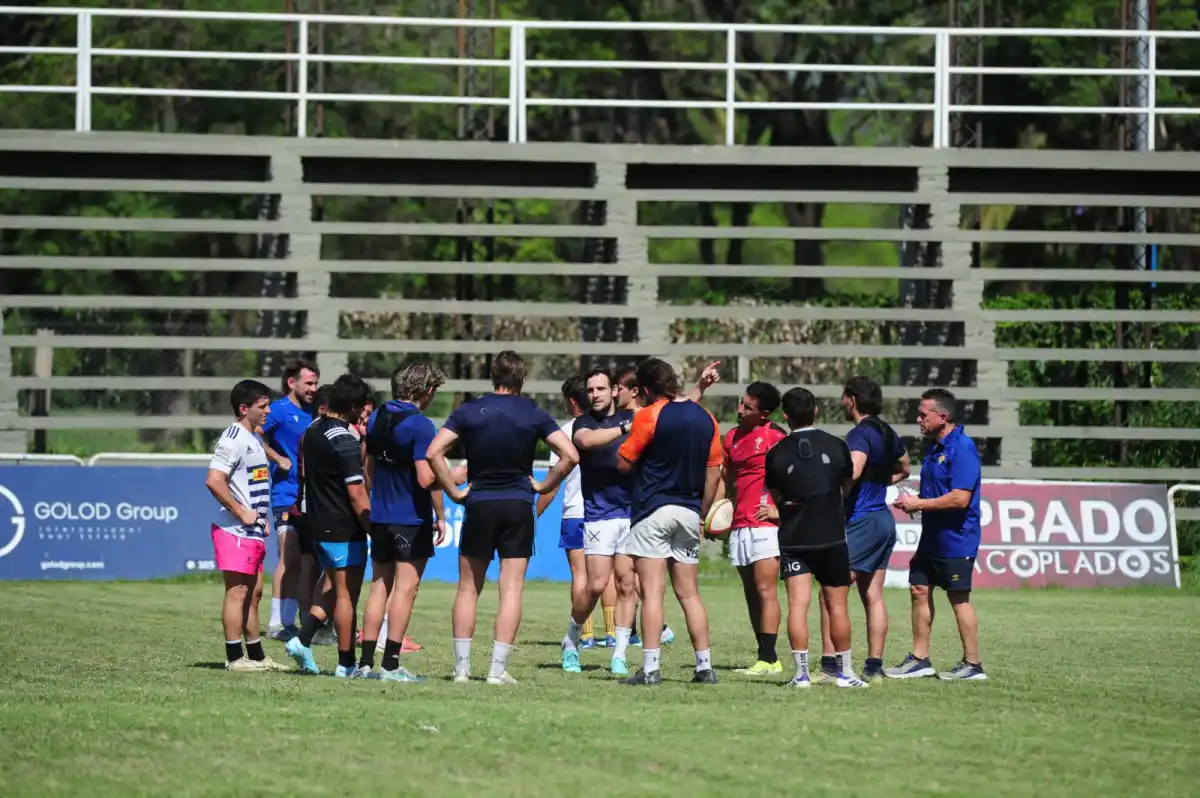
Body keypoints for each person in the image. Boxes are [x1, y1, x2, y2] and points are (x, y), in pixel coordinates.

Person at [426, 350, 579, 685]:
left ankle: (462, 669)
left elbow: (433, 451)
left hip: (479, 502)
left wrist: (454, 491)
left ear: (493, 376)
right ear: (521, 378)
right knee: (511, 589)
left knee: (468, 588)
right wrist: (544, 484)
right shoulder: (533, 413)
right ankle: (496, 670)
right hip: (518, 505)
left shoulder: (468, 411)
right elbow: (570, 454)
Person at [616, 358, 722, 686]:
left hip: (653, 510)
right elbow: (714, 471)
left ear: (645, 389)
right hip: (690, 512)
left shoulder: (649, 415)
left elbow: (624, 461)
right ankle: (704, 667)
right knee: (689, 594)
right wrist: (702, 513)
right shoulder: (706, 418)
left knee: (652, 594)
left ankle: (650, 670)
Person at [356, 363, 459, 682]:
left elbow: (367, 465)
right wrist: (454, 478)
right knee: (406, 589)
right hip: (409, 519)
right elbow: (426, 478)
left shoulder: (378, 416)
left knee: (379, 587)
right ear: (426, 391)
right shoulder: (421, 426)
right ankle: (391, 664)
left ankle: (365, 664)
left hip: (382, 515)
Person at [764, 387, 867, 689]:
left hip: (795, 539)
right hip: (832, 536)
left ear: (785, 416)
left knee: (798, 605)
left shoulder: (776, 453)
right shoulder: (837, 446)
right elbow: (846, 486)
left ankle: (801, 675)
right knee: (838, 606)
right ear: (817, 411)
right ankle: (846, 674)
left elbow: (775, 497)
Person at [887, 388, 987, 681]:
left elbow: (960, 499)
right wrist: (915, 501)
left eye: (923, 414)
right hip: (931, 535)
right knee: (918, 589)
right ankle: (920, 659)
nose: (918, 419)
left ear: (942, 416)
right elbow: (940, 494)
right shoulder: (934, 448)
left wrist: (919, 503)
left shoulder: (963, 448)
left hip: (956, 537)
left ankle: (973, 665)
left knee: (958, 597)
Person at [814, 376, 909, 682]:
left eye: (844, 397)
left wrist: (829, 494)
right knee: (873, 595)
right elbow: (904, 468)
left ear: (852, 400)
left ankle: (831, 666)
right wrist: (880, 482)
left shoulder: (859, 434)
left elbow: (853, 470)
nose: (842, 402)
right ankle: (874, 666)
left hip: (863, 520)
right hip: (883, 519)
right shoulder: (887, 430)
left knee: (830, 592)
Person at [284, 374, 374, 678]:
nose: (363, 413)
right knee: (348, 594)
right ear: (351, 406)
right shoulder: (344, 439)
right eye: (361, 407)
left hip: (316, 519)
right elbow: (356, 491)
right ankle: (346, 663)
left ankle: (303, 638)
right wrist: (373, 527)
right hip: (342, 526)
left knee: (331, 585)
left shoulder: (312, 429)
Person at [560, 367, 640, 677]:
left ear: (614, 391)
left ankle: (619, 653)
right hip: (599, 515)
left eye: (601, 389)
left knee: (626, 585)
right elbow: (588, 441)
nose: (595, 395)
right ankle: (571, 639)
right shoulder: (584, 423)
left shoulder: (634, 416)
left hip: (631, 514)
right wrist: (624, 427)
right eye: (591, 390)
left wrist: (700, 388)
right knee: (594, 585)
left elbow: (672, 408)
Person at [204, 379, 287, 673]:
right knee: (237, 592)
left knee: (254, 594)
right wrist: (242, 513)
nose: (267, 412)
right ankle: (234, 657)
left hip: (252, 530)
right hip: (235, 531)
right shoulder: (233, 438)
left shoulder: (252, 437)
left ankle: (256, 656)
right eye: (262, 407)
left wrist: (260, 518)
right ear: (244, 409)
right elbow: (214, 480)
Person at [723, 381, 788, 677]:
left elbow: (795, 477)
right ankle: (764, 655)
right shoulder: (732, 437)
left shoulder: (775, 437)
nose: (740, 410)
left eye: (748, 407)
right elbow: (726, 479)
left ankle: (770, 657)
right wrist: (712, 514)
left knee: (765, 589)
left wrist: (781, 508)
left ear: (764, 413)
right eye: (741, 403)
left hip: (765, 524)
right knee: (750, 591)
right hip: (740, 523)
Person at [536, 376, 606, 648]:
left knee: (580, 575)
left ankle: (584, 634)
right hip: (605, 512)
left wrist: (534, 515)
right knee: (606, 577)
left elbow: (553, 484)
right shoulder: (606, 427)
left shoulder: (565, 433)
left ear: (572, 401)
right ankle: (613, 633)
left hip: (576, 512)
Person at [261, 358, 320, 640]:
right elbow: (252, 435)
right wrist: (277, 457)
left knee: (309, 561)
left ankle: (297, 620)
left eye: (315, 383)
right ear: (291, 382)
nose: (313, 388)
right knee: (290, 556)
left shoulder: (315, 411)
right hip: (286, 494)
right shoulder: (278, 411)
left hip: (312, 496)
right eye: (308, 383)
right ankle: (277, 623)